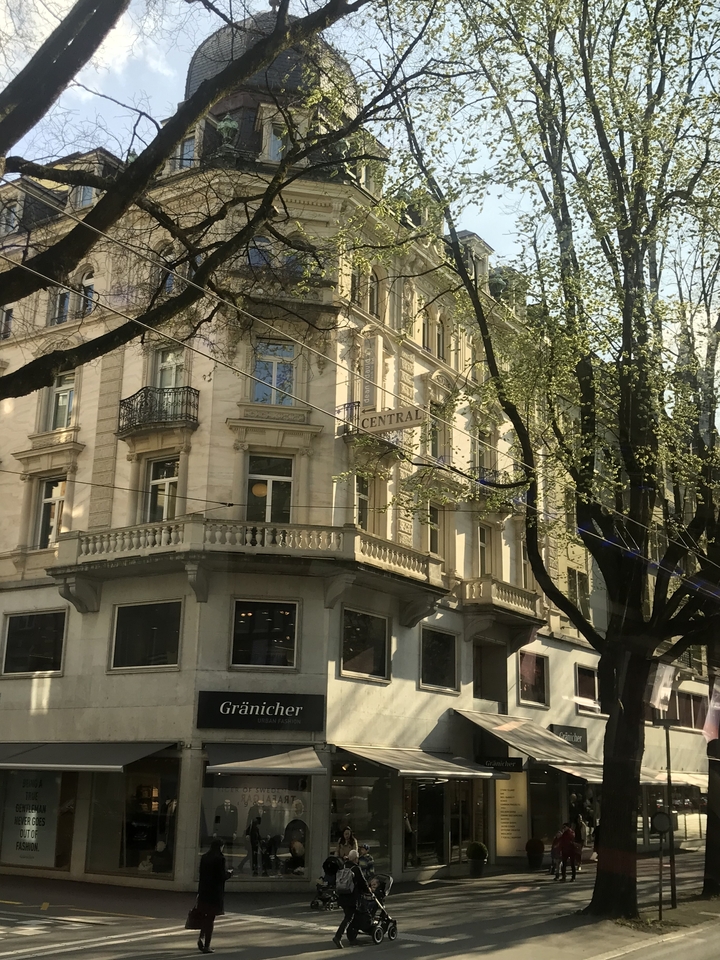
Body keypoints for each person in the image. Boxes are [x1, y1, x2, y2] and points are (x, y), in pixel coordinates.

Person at [196, 838, 233, 954]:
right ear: (220, 847)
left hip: (204, 891)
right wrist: (229, 874)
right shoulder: (220, 859)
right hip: (214, 893)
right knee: (210, 918)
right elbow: (221, 876)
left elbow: (201, 873)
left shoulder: (204, 857)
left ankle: (202, 937)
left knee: (204, 916)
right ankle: (207, 945)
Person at [332, 849, 368, 948]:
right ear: (356, 859)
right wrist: (369, 891)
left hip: (342, 896)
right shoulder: (356, 868)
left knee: (350, 917)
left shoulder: (343, 866)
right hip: (352, 898)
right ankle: (338, 937)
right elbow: (363, 882)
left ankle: (351, 938)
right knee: (349, 918)